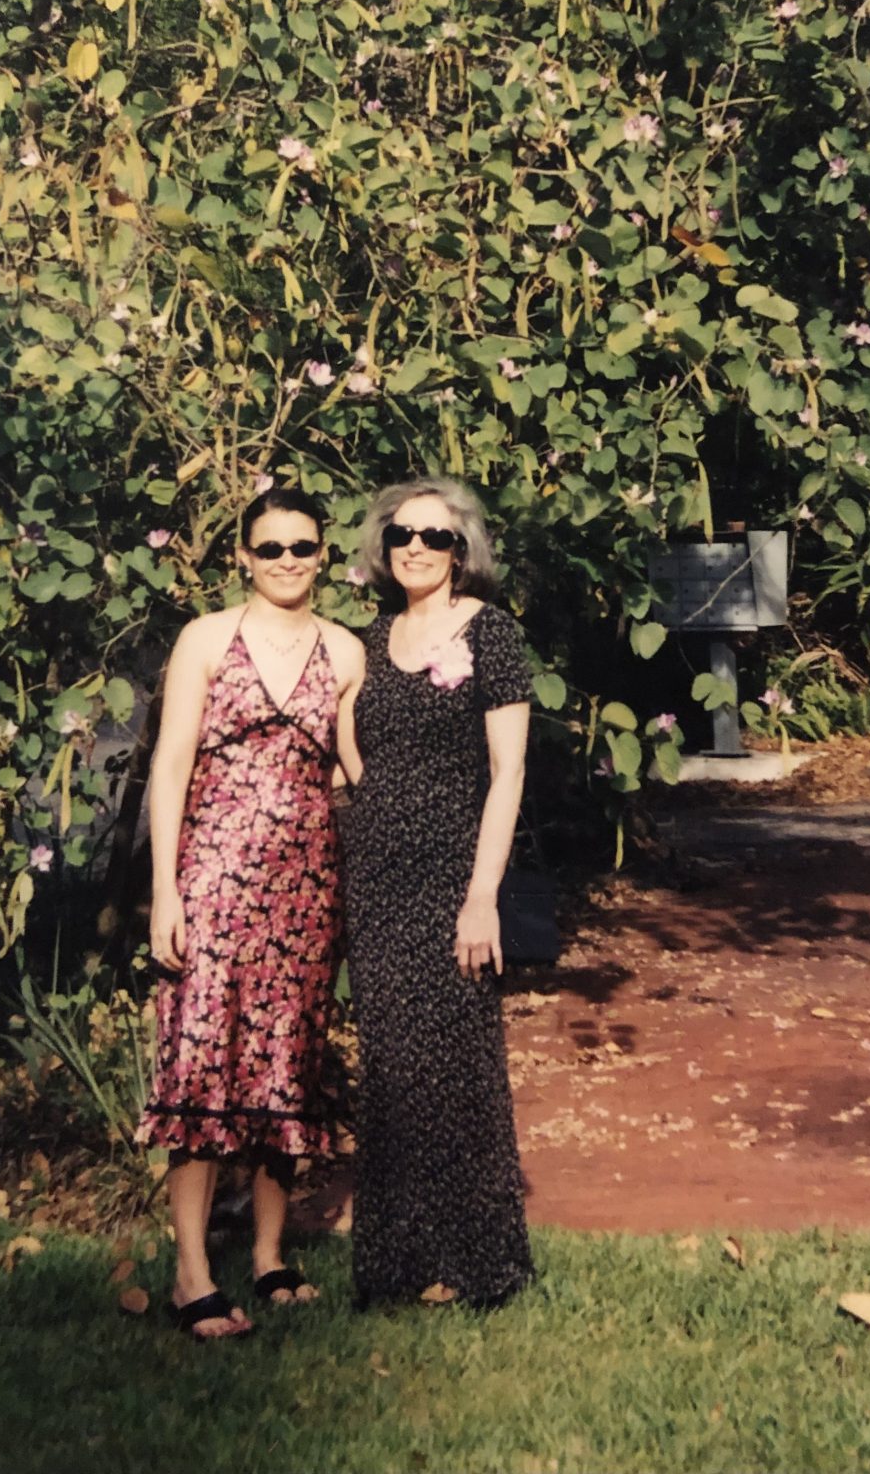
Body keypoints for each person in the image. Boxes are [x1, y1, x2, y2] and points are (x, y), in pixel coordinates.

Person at [137, 486, 364, 1339]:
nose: (287, 564)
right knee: (201, 1066)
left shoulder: (344, 652)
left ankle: (269, 1257)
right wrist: (166, 888)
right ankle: (191, 1274)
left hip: (306, 886)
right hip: (214, 878)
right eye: (270, 549)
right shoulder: (205, 639)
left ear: (322, 553)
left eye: (302, 548)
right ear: (242, 556)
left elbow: (353, 768)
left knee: (284, 1064)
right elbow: (171, 764)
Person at [343, 475, 535, 1309]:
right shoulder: (370, 638)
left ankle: (479, 1260)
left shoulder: (492, 633)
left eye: (434, 536)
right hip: (376, 877)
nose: (415, 547)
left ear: (463, 551)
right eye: (401, 536)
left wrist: (482, 893)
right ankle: (399, 1263)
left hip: (456, 875)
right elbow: (350, 755)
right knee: (391, 1065)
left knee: (458, 1060)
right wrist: (370, 806)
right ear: (383, 550)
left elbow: (509, 772)